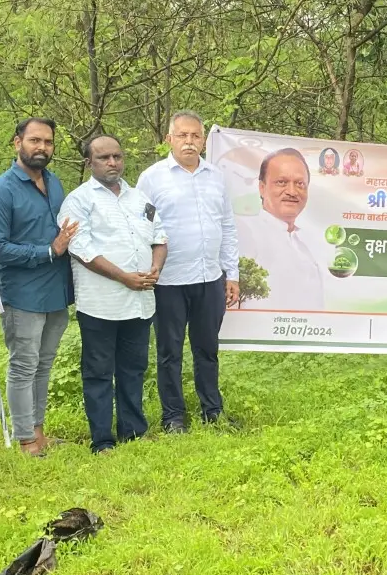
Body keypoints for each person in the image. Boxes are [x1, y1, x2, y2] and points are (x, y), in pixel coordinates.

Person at [60, 135, 167, 452]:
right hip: (101, 304)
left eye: (117, 157)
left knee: (133, 369)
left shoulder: (140, 198)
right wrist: (124, 277)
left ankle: (133, 431)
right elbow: (81, 250)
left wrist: (156, 268)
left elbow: (159, 238)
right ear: (89, 162)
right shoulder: (79, 200)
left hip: (140, 302)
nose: (112, 163)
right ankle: (102, 439)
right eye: (104, 158)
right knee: (98, 372)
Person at [137, 111, 239, 433]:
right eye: (182, 135)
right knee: (169, 352)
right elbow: (142, 226)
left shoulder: (216, 177)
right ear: (169, 139)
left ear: (204, 141)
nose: (189, 142)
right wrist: (146, 270)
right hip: (168, 281)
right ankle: (173, 417)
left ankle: (213, 410)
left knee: (207, 349)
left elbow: (227, 226)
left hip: (210, 278)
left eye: (195, 136)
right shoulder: (151, 179)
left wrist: (231, 273)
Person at [0, 118, 77, 457]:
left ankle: (39, 430)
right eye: (34, 140)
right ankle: (25, 439)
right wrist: (47, 251)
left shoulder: (54, 183)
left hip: (56, 292)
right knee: (24, 365)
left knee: (45, 363)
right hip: (23, 293)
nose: (41, 147)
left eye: (48, 142)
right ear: (17, 142)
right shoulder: (2, 191)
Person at [237, 147, 327, 312]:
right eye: (281, 182)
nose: (292, 192)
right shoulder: (243, 232)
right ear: (262, 188)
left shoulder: (310, 244)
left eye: (300, 184)